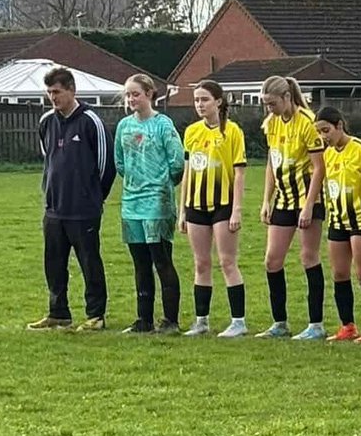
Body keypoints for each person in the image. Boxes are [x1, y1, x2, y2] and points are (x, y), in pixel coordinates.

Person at [27, 66, 116, 332]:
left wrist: (94, 197)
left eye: (57, 92)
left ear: (72, 90)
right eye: (49, 92)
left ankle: (96, 315)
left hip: (84, 210)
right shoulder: (46, 121)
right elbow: (49, 158)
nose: (52, 97)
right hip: (54, 208)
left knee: (89, 262)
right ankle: (58, 313)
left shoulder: (90, 121)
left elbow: (106, 165)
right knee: (53, 263)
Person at [114, 74, 186, 334]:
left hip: (157, 202)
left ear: (149, 94)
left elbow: (177, 161)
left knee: (161, 260)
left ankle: (170, 320)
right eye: (128, 95)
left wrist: (161, 184)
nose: (131, 99)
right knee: (140, 263)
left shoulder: (163, 125)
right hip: (131, 202)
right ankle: (143, 319)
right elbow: (119, 161)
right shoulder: (124, 126)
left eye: (136, 94)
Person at [179, 80, 249, 338]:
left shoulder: (232, 131)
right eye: (196, 100)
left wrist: (237, 209)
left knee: (227, 261)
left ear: (218, 102)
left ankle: (238, 321)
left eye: (205, 99)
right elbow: (188, 171)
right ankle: (201, 321)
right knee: (201, 263)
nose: (200, 104)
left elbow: (239, 173)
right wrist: (182, 210)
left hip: (223, 205)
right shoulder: (192, 132)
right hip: (196, 205)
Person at [259, 75, 326, 340]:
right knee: (272, 260)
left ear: (287, 97)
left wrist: (309, 206)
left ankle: (316, 324)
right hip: (283, 200)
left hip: (307, 199)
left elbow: (319, 168)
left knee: (308, 257)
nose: (269, 108)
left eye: (272, 103)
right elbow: (271, 163)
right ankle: (280, 323)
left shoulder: (308, 123)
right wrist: (266, 200)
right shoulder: (271, 123)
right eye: (266, 104)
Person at [314, 107, 361, 344]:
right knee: (339, 273)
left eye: (326, 130)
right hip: (337, 221)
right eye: (319, 132)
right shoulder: (328, 154)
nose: (323, 136)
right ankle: (347, 326)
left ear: (339, 125)